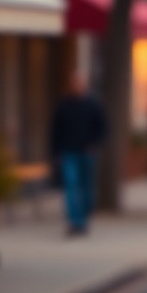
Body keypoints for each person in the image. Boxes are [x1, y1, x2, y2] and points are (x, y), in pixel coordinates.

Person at [50, 74, 106, 237]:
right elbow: (55, 130)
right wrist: (56, 151)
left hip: (87, 152)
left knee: (87, 187)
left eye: (79, 83)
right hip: (68, 152)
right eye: (74, 83)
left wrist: (95, 145)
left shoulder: (93, 105)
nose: (76, 86)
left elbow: (102, 127)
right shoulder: (64, 106)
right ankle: (75, 222)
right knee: (71, 186)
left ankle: (85, 216)